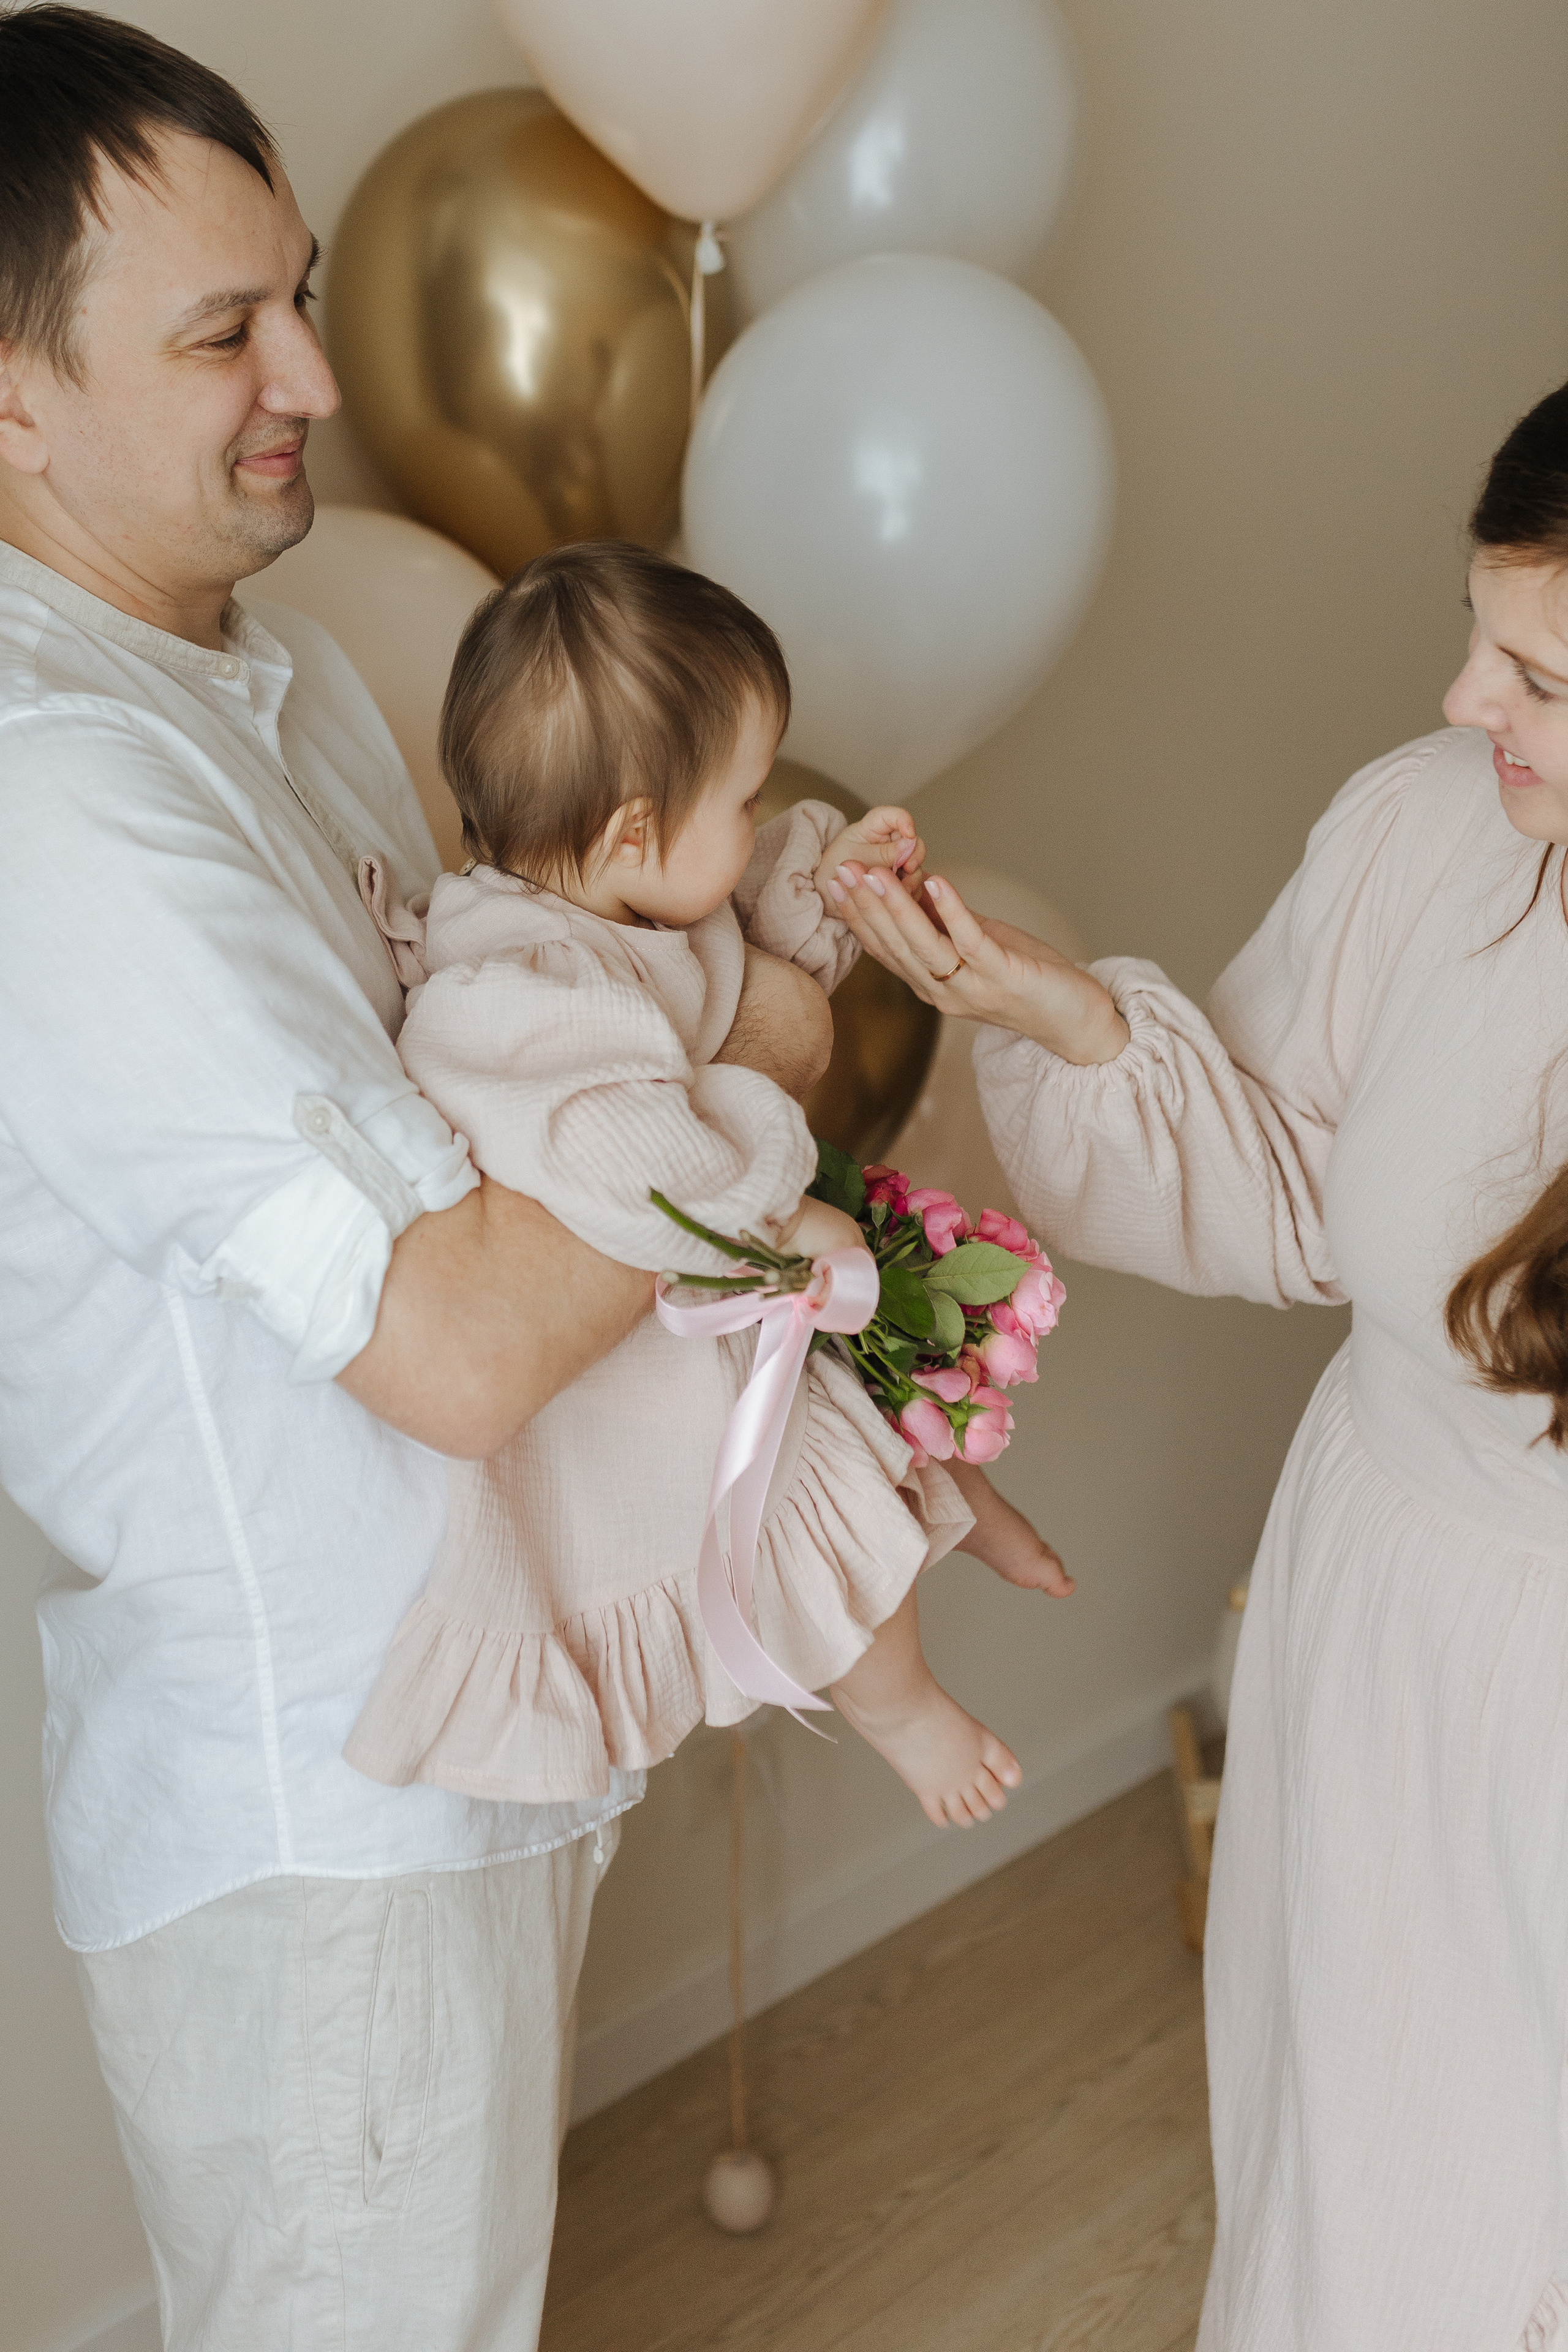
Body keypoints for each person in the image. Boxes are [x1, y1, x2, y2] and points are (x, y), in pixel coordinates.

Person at [0, 10, 819, 2348]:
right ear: (10, 392)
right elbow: (456, 1339)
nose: (316, 378)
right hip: (317, 1823)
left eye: (304, 289)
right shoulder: (60, 798)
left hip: (460, 1735)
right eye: (221, 329)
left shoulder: (266, 681)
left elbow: (518, 1106)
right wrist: (759, 1044)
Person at [829, 380, 1568, 2349]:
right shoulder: (1435, 834)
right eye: (1483, 635)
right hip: (1385, 1619)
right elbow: (1302, 1190)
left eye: (1540, 677)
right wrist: (1065, 1019)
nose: (1460, 701)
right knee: (1363, 2191)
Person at [342, 540, 1074, 1830]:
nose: (751, 828)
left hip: (712, 1309)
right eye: (743, 802)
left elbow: (727, 960)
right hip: (631, 1382)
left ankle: (969, 1506)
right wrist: (771, 1206)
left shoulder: (621, 904)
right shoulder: (514, 996)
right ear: (634, 828)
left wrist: (829, 882)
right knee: (816, 1522)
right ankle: (904, 1708)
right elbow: (641, 1170)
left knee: (874, 1396)